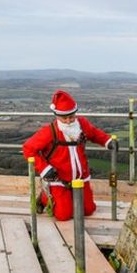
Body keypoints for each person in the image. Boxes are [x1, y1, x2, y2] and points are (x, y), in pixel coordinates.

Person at [22, 90, 116, 221]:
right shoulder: (49, 132)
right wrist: (44, 169)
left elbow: (95, 134)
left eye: (71, 117)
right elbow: (28, 148)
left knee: (89, 210)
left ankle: (68, 198)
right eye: (64, 118)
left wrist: (108, 141)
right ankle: (44, 198)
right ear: (57, 116)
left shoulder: (82, 124)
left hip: (81, 178)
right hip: (59, 180)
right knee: (63, 215)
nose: (68, 121)